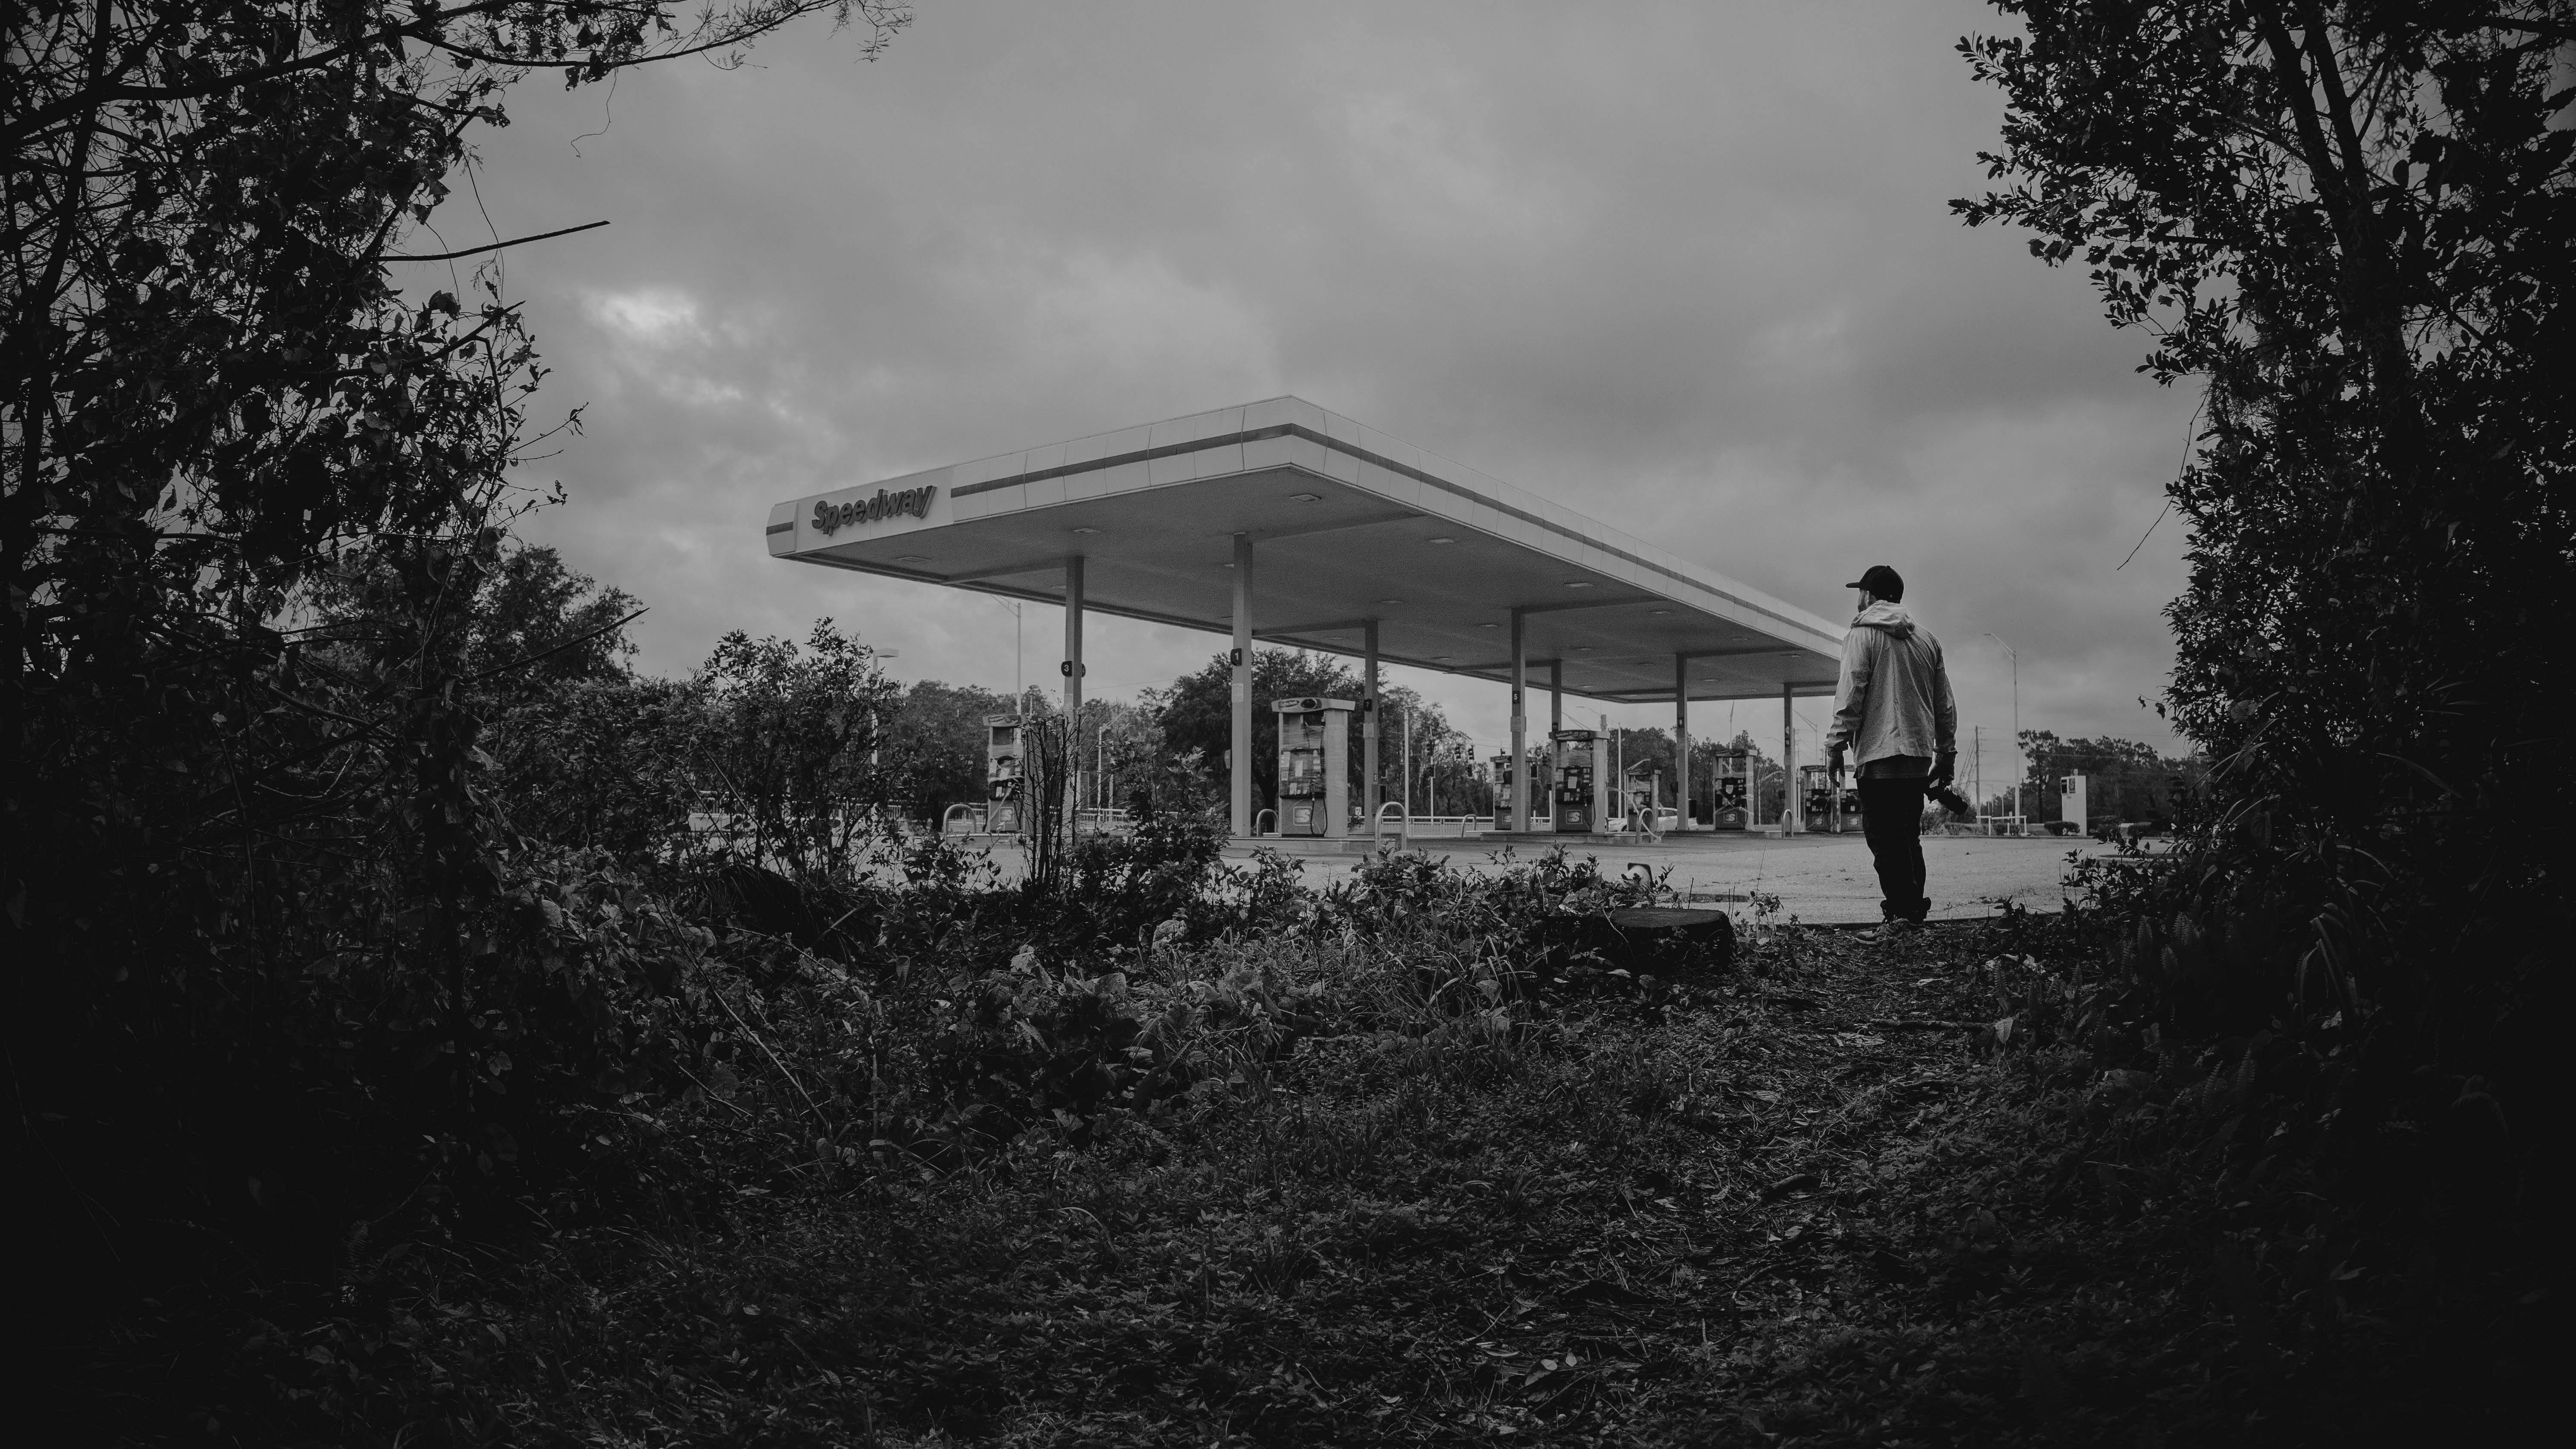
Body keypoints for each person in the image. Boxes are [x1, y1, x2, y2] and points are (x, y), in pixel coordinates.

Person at [1823, 564, 1957, 927]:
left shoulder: (1862, 636)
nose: (1858, 599)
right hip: (1916, 758)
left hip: (1879, 759)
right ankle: (1912, 915)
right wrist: (1946, 753)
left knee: (1885, 842)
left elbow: (1851, 693)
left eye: (1860, 592)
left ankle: (1903, 918)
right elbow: (1944, 703)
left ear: (1868, 596)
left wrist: (1835, 746)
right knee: (1908, 838)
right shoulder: (1927, 641)